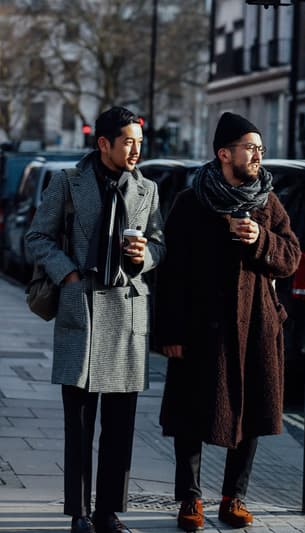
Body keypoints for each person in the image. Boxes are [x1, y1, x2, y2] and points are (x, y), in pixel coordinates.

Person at [156, 112, 301, 532]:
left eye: (260, 149)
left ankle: (233, 497)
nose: (257, 156)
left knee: (251, 411)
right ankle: (190, 499)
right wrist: (170, 333)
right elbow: (171, 273)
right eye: (249, 148)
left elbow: (290, 257)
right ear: (224, 154)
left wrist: (261, 240)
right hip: (200, 327)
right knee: (190, 414)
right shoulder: (190, 202)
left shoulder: (267, 201)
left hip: (255, 325)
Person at [25, 106, 166, 533]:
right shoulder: (67, 182)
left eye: (140, 142)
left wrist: (147, 257)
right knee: (80, 425)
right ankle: (80, 514)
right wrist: (66, 272)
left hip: (126, 312)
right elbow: (37, 235)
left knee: (120, 427)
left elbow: (160, 241)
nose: (136, 150)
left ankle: (108, 512)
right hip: (82, 311)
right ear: (103, 143)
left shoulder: (148, 189)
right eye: (128, 141)